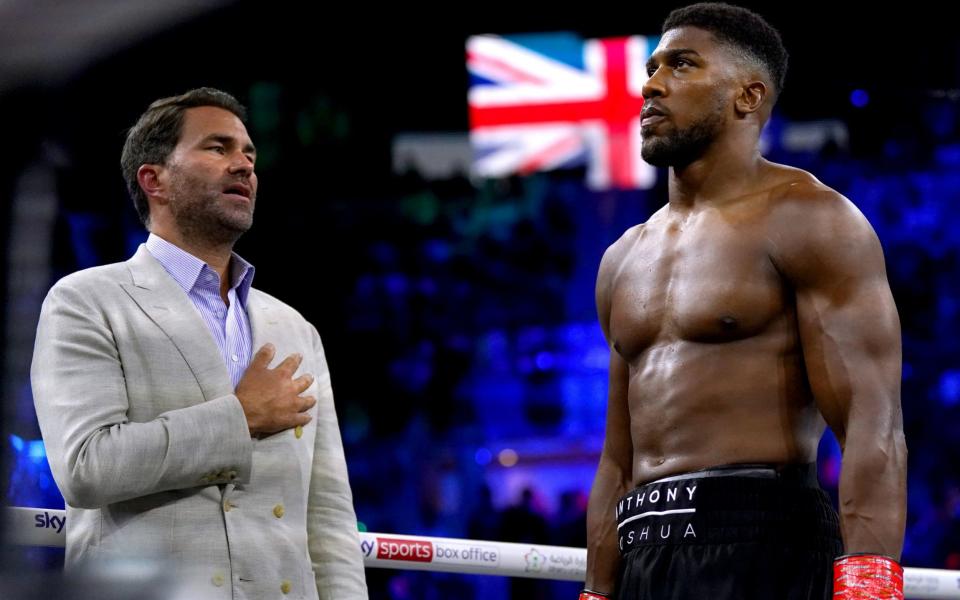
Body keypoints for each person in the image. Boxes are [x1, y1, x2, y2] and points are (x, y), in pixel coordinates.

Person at [581, 4, 907, 599]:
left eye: (681, 65)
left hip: (763, 539)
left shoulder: (809, 219)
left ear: (747, 96)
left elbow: (871, 422)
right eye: (652, 67)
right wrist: (596, 592)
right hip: (641, 551)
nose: (650, 84)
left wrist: (868, 585)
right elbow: (616, 462)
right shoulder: (622, 258)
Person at [31, 88, 368, 599]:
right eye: (218, 148)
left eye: (249, 154)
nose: (244, 166)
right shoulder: (85, 301)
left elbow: (328, 517)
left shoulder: (295, 328)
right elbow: (86, 468)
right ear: (154, 180)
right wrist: (241, 417)